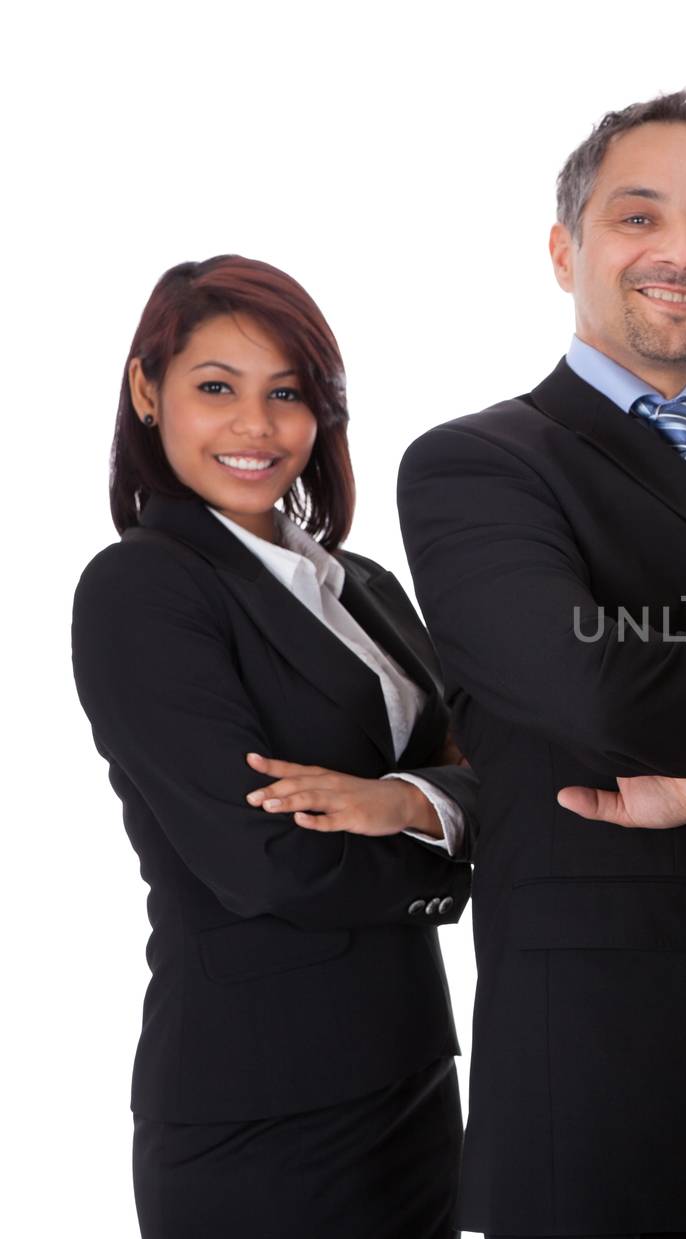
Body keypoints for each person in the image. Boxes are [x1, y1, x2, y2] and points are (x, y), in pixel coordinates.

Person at [397, 91, 686, 1239]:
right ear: (566, 247)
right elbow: (598, 690)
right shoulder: (477, 464)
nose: (681, 251)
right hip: (609, 1047)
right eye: (640, 217)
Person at [71, 255, 474, 1238]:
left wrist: (408, 803)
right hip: (255, 1102)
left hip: (412, 1075)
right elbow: (265, 864)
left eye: (286, 394)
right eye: (217, 388)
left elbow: (496, 764)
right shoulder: (142, 589)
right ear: (145, 390)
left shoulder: (365, 587)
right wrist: (455, 854)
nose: (256, 427)